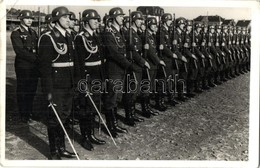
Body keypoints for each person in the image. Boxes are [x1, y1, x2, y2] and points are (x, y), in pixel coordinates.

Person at [38, 6, 78, 160]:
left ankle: (62, 148)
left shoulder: (69, 35)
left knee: (64, 117)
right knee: (55, 119)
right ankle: (54, 152)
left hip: (68, 84)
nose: (69, 20)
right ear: (56, 19)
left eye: (69, 17)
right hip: (55, 86)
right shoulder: (47, 37)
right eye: (65, 17)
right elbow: (44, 68)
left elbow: (71, 62)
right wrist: (47, 91)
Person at [102, 7, 138, 138]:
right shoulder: (108, 33)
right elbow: (114, 53)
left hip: (120, 69)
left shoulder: (121, 32)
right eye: (120, 16)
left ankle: (115, 124)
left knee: (117, 97)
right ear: (113, 18)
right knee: (111, 98)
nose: (123, 18)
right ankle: (110, 126)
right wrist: (128, 65)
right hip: (113, 70)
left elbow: (123, 49)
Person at [74, 9, 106, 151]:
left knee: (94, 106)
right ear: (86, 21)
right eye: (94, 20)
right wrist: (82, 82)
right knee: (85, 108)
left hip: (97, 75)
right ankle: (85, 137)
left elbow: (100, 59)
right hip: (87, 76)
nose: (97, 22)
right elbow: (79, 63)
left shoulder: (96, 36)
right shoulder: (80, 38)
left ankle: (91, 134)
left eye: (98, 20)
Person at [11, 10, 39, 123]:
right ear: (21, 19)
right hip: (23, 66)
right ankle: (23, 114)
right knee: (23, 90)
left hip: (33, 67)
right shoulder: (16, 33)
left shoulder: (33, 32)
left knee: (32, 89)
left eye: (31, 18)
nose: (29, 20)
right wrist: (36, 59)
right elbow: (20, 51)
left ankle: (30, 111)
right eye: (27, 18)